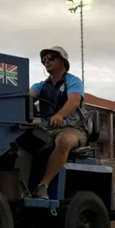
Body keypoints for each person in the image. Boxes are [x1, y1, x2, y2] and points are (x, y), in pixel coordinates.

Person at [29, 45, 87, 199]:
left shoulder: (73, 81)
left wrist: (60, 115)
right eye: (44, 59)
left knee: (63, 141)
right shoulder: (40, 86)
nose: (46, 61)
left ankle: (43, 186)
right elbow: (28, 97)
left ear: (63, 62)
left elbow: (74, 101)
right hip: (47, 130)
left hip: (73, 128)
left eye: (51, 58)